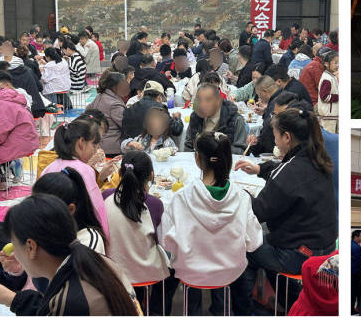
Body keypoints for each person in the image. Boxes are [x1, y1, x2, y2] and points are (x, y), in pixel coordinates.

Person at [233, 107, 337, 315]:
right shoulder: (318, 159)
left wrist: (240, 194)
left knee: (242, 245)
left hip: (299, 255)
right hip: (324, 248)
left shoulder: (289, 172)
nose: (275, 141)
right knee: (263, 238)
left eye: (275, 136)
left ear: (287, 137)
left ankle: (244, 311)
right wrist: (260, 169)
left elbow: (258, 211)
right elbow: (287, 174)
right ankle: (286, 301)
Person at [161, 132, 263, 316]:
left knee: (185, 269)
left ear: (197, 159)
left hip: (190, 271)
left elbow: (165, 241)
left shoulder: (181, 198)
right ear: (228, 159)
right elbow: (254, 242)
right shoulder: (241, 197)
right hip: (230, 272)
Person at [0, 194, 139, 315]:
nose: (14, 253)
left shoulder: (70, 302)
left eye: (14, 244)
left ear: (31, 247)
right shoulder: (94, 260)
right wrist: (12, 299)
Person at [103, 151, 170, 313]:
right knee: (172, 264)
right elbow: (162, 240)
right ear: (151, 175)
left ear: (120, 173)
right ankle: (155, 312)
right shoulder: (155, 203)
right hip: (146, 272)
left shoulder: (106, 196)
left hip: (112, 271)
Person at [41, 118, 110, 235]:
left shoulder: (49, 167)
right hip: (76, 231)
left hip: (48, 230)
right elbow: (97, 209)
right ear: (81, 143)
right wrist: (105, 236)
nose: (95, 151)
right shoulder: (85, 170)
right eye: (94, 146)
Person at [0, 78, 38, 167]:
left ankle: (8, 167)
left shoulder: (0, 104)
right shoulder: (5, 98)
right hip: (27, 142)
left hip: (19, 145)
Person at [184, 83, 247, 153]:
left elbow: (241, 151)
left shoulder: (235, 119)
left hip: (226, 159)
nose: (203, 104)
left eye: (208, 100)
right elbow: (188, 146)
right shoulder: (196, 117)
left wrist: (217, 148)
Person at [85, 72, 129, 157]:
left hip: (98, 142)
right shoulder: (114, 105)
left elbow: (87, 110)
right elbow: (126, 124)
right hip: (112, 147)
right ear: (115, 87)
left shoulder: (100, 96)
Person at [317, 50, 339, 132]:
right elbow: (325, 97)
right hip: (328, 116)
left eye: (338, 63)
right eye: (335, 63)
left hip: (330, 115)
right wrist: (338, 97)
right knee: (329, 136)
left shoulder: (330, 76)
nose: (338, 65)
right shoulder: (327, 78)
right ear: (326, 64)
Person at [351, 230, 361, 314]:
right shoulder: (356, 247)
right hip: (355, 273)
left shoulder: (352, 245)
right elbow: (360, 261)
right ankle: (353, 309)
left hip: (352, 272)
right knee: (355, 292)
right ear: (356, 237)